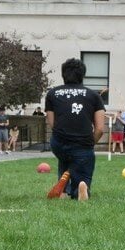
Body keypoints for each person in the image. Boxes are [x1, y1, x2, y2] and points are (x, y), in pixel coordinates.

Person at [45, 58, 105, 201]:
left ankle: (63, 190)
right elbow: (100, 129)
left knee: (65, 158)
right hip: (82, 143)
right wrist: (90, 144)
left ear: (63, 75)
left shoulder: (52, 93)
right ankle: (81, 187)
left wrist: (62, 137)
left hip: (58, 143)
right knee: (83, 161)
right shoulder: (94, 96)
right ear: (82, 75)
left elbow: (52, 123)